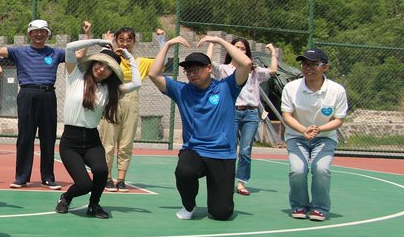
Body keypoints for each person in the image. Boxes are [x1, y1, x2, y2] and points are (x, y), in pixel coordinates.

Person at [147, 35, 252, 221]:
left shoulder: (227, 88)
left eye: (196, 69)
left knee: (221, 214)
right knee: (184, 171)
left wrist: (219, 42)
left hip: (222, 153)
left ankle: (219, 204)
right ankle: (189, 205)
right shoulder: (181, 91)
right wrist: (168, 45)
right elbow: (153, 74)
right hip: (194, 150)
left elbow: (245, 63)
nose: (192, 74)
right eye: (188, 70)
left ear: (209, 68)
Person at [0, 15, 91, 189]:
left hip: (48, 95)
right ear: (30, 34)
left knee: (48, 137)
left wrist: (87, 34)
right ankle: (21, 177)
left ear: (47, 34)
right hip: (27, 94)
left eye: (42, 32)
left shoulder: (56, 53)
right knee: (25, 137)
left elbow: (80, 55)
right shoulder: (19, 51)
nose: (39, 35)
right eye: (35, 32)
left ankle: (48, 178)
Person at [54, 38, 140, 219]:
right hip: (70, 142)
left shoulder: (110, 91)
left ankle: (94, 205)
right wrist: (99, 41)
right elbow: (69, 48)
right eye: (100, 64)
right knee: (84, 184)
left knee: (101, 171)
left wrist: (128, 56)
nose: (102, 69)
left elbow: (137, 83)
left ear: (112, 73)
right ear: (93, 63)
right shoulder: (74, 77)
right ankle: (66, 197)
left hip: (92, 140)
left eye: (108, 68)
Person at [281, 47, 347, 222]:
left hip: (325, 138)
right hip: (297, 136)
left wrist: (319, 129)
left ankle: (319, 208)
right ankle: (299, 205)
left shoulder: (337, 90)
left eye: (313, 64)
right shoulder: (291, 88)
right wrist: (303, 130)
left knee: (321, 169)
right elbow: (287, 115)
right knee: (297, 170)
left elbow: (339, 119)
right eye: (304, 64)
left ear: (325, 67)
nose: (307, 67)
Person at [206, 38, 278, 195]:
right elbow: (208, 63)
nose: (239, 50)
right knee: (229, 148)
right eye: (236, 47)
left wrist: (273, 52)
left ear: (247, 52)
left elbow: (273, 70)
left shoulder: (253, 70)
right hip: (231, 112)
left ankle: (241, 183)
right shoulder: (224, 69)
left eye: (243, 48)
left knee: (245, 150)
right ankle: (226, 181)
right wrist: (212, 42)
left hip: (251, 113)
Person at [100, 27, 165, 192]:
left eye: (129, 40)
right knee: (107, 142)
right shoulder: (111, 59)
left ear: (134, 42)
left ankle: (121, 179)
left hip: (132, 102)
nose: (125, 43)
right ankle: (107, 177)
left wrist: (161, 41)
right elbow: (99, 65)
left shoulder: (140, 62)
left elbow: (162, 64)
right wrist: (106, 45)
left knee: (126, 143)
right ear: (116, 41)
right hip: (112, 101)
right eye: (121, 40)